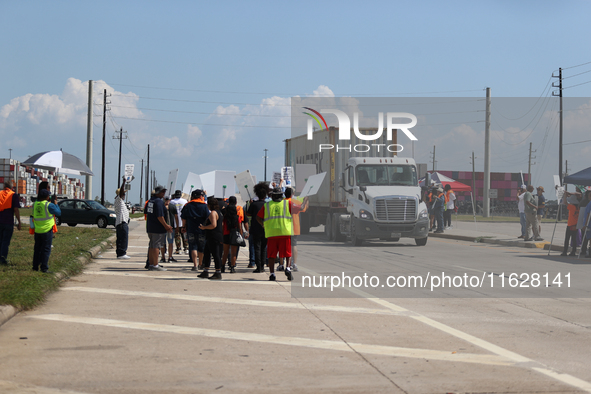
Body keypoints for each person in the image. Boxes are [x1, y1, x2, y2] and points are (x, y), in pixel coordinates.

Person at [257, 187, 302, 281]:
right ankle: (288, 268)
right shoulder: (287, 203)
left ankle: (272, 274)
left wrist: (263, 225)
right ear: (282, 195)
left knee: (271, 255)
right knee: (287, 253)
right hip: (284, 232)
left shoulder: (267, 205)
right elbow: (300, 208)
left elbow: (258, 217)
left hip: (272, 233)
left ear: (272, 195)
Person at [32, 189, 60, 273]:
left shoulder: (35, 204)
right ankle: (44, 268)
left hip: (37, 230)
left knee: (37, 249)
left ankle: (35, 267)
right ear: (47, 197)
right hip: (47, 230)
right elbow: (58, 213)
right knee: (46, 249)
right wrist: (56, 204)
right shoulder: (49, 205)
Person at [181, 189, 210, 271]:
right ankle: (200, 264)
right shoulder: (204, 205)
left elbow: (183, 218)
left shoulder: (188, 205)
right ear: (200, 196)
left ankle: (195, 265)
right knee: (201, 247)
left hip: (191, 228)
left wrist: (183, 227)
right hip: (202, 229)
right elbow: (208, 217)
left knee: (193, 246)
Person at [146, 185, 173, 271]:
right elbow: (160, 216)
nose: (163, 193)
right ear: (157, 193)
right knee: (156, 246)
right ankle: (155, 265)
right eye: (162, 192)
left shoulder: (150, 201)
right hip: (157, 228)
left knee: (152, 246)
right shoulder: (158, 202)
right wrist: (166, 226)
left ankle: (151, 263)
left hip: (150, 227)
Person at [198, 198, 224, 279]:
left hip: (214, 236)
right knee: (207, 253)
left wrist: (204, 227)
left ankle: (218, 272)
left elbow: (213, 225)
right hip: (215, 236)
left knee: (216, 254)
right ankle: (206, 270)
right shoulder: (219, 212)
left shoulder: (213, 213)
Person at [284, 187, 308, 272]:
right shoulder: (294, 202)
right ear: (292, 194)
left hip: (283, 227)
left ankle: (282, 263)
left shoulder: (282, 202)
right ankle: (293, 264)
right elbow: (303, 208)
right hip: (293, 227)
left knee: (284, 245)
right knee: (293, 245)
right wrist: (306, 200)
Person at [247, 182, 269, 273]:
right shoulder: (267, 204)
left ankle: (258, 267)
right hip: (266, 228)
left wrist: (250, 204)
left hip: (255, 228)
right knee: (264, 248)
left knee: (257, 248)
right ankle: (263, 266)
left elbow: (248, 214)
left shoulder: (254, 204)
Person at [0, 180, 22, 266]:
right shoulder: (13, 195)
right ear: (12, 187)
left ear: (3, 186)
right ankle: (3, 259)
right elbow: (16, 209)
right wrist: (19, 221)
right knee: (5, 241)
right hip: (8, 222)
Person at [221, 196, 243, 273]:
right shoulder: (237, 217)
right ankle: (232, 267)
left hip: (226, 234)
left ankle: (222, 267)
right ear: (236, 203)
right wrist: (241, 235)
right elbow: (240, 227)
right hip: (234, 235)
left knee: (225, 253)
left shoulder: (225, 217)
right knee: (234, 253)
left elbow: (223, 226)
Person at [114, 176, 130, 260]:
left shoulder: (119, 201)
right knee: (123, 238)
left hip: (122, 222)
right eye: (124, 193)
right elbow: (121, 192)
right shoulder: (118, 200)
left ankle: (120, 253)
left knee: (121, 238)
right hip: (121, 222)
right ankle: (122, 253)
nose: (124, 195)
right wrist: (123, 182)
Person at [560, 191, 580, 256]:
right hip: (575, 225)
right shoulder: (578, 208)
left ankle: (565, 251)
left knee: (567, 239)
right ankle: (573, 251)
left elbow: (565, 202)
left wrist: (565, 196)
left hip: (570, 224)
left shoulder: (572, 207)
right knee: (574, 239)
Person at [170, 190, 189, 255]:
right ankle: (186, 248)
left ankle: (179, 249)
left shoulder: (172, 201)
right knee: (184, 236)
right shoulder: (184, 201)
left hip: (175, 222)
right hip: (183, 221)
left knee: (177, 236)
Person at [163, 196, 179, 263]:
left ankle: (163, 257)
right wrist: (177, 226)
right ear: (170, 199)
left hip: (163, 227)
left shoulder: (161, 206)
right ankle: (170, 256)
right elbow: (176, 217)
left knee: (162, 243)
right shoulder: (173, 206)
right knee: (170, 242)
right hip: (171, 226)